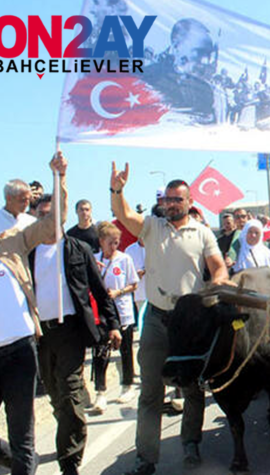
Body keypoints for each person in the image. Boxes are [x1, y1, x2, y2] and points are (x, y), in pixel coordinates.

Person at [110, 163, 230, 475]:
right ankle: (145, 458)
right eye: (168, 199)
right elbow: (124, 214)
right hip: (156, 320)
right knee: (151, 392)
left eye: (178, 199)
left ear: (190, 202)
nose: (172, 204)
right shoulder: (152, 227)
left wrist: (218, 283)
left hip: (189, 323)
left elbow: (218, 267)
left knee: (192, 388)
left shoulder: (203, 232)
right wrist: (117, 190)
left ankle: (190, 442)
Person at [0, 152, 67, 474]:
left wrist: (59, 178)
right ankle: (22, 465)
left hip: (19, 354)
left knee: (23, 438)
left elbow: (52, 225)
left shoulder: (12, 242)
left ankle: (23, 464)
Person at [30, 195, 121, 475]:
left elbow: (98, 289)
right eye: (42, 215)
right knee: (55, 394)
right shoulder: (28, 253)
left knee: (69, 393)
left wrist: (113, 324)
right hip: (39, 334)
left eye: (52, 214)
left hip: (70, 330)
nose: (47, 220)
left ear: (62, 216)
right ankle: (71, 428)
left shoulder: (77, 249)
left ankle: (69, 461)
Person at [92, 221, 139, 413]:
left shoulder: (124, 259)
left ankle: (127, 385)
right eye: (110, 242)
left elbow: (134, 284)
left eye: (116, 242)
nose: (113, 246)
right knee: (101, 351)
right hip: (102, 312)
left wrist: (119, 292)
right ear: (101, 241)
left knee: (125, 349)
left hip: (122, 309)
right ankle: (100, 391)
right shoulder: (94, 259)